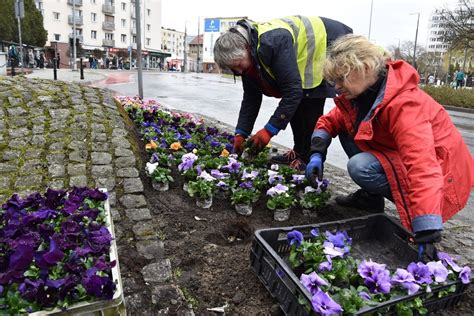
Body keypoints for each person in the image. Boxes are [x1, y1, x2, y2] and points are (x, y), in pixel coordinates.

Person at [305, 34, 474, 262]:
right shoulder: (362, 95)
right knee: (347, 127)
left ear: (364, 68)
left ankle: (416, 215)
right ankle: (370, 198)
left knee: (360, 167)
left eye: (340, 79)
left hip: (445, 174)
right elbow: (330, 121)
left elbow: (423, 167)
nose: (336, 87)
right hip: (410, 161)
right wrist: (316, 153)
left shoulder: (405, 104)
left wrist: (426, 228)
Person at [213, 16, 352, 170]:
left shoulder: (272, 42)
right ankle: (298, 151)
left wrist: (269, 130)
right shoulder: (249, 55)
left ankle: (307, 160)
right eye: (234, 69)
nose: (239, 71)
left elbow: (292, 93)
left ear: (246, 48)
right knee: (296, 106)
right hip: (305, 51)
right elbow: (251, 98)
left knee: (309, 103)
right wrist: (241, 132)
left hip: (327, 42)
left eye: (239, 65)